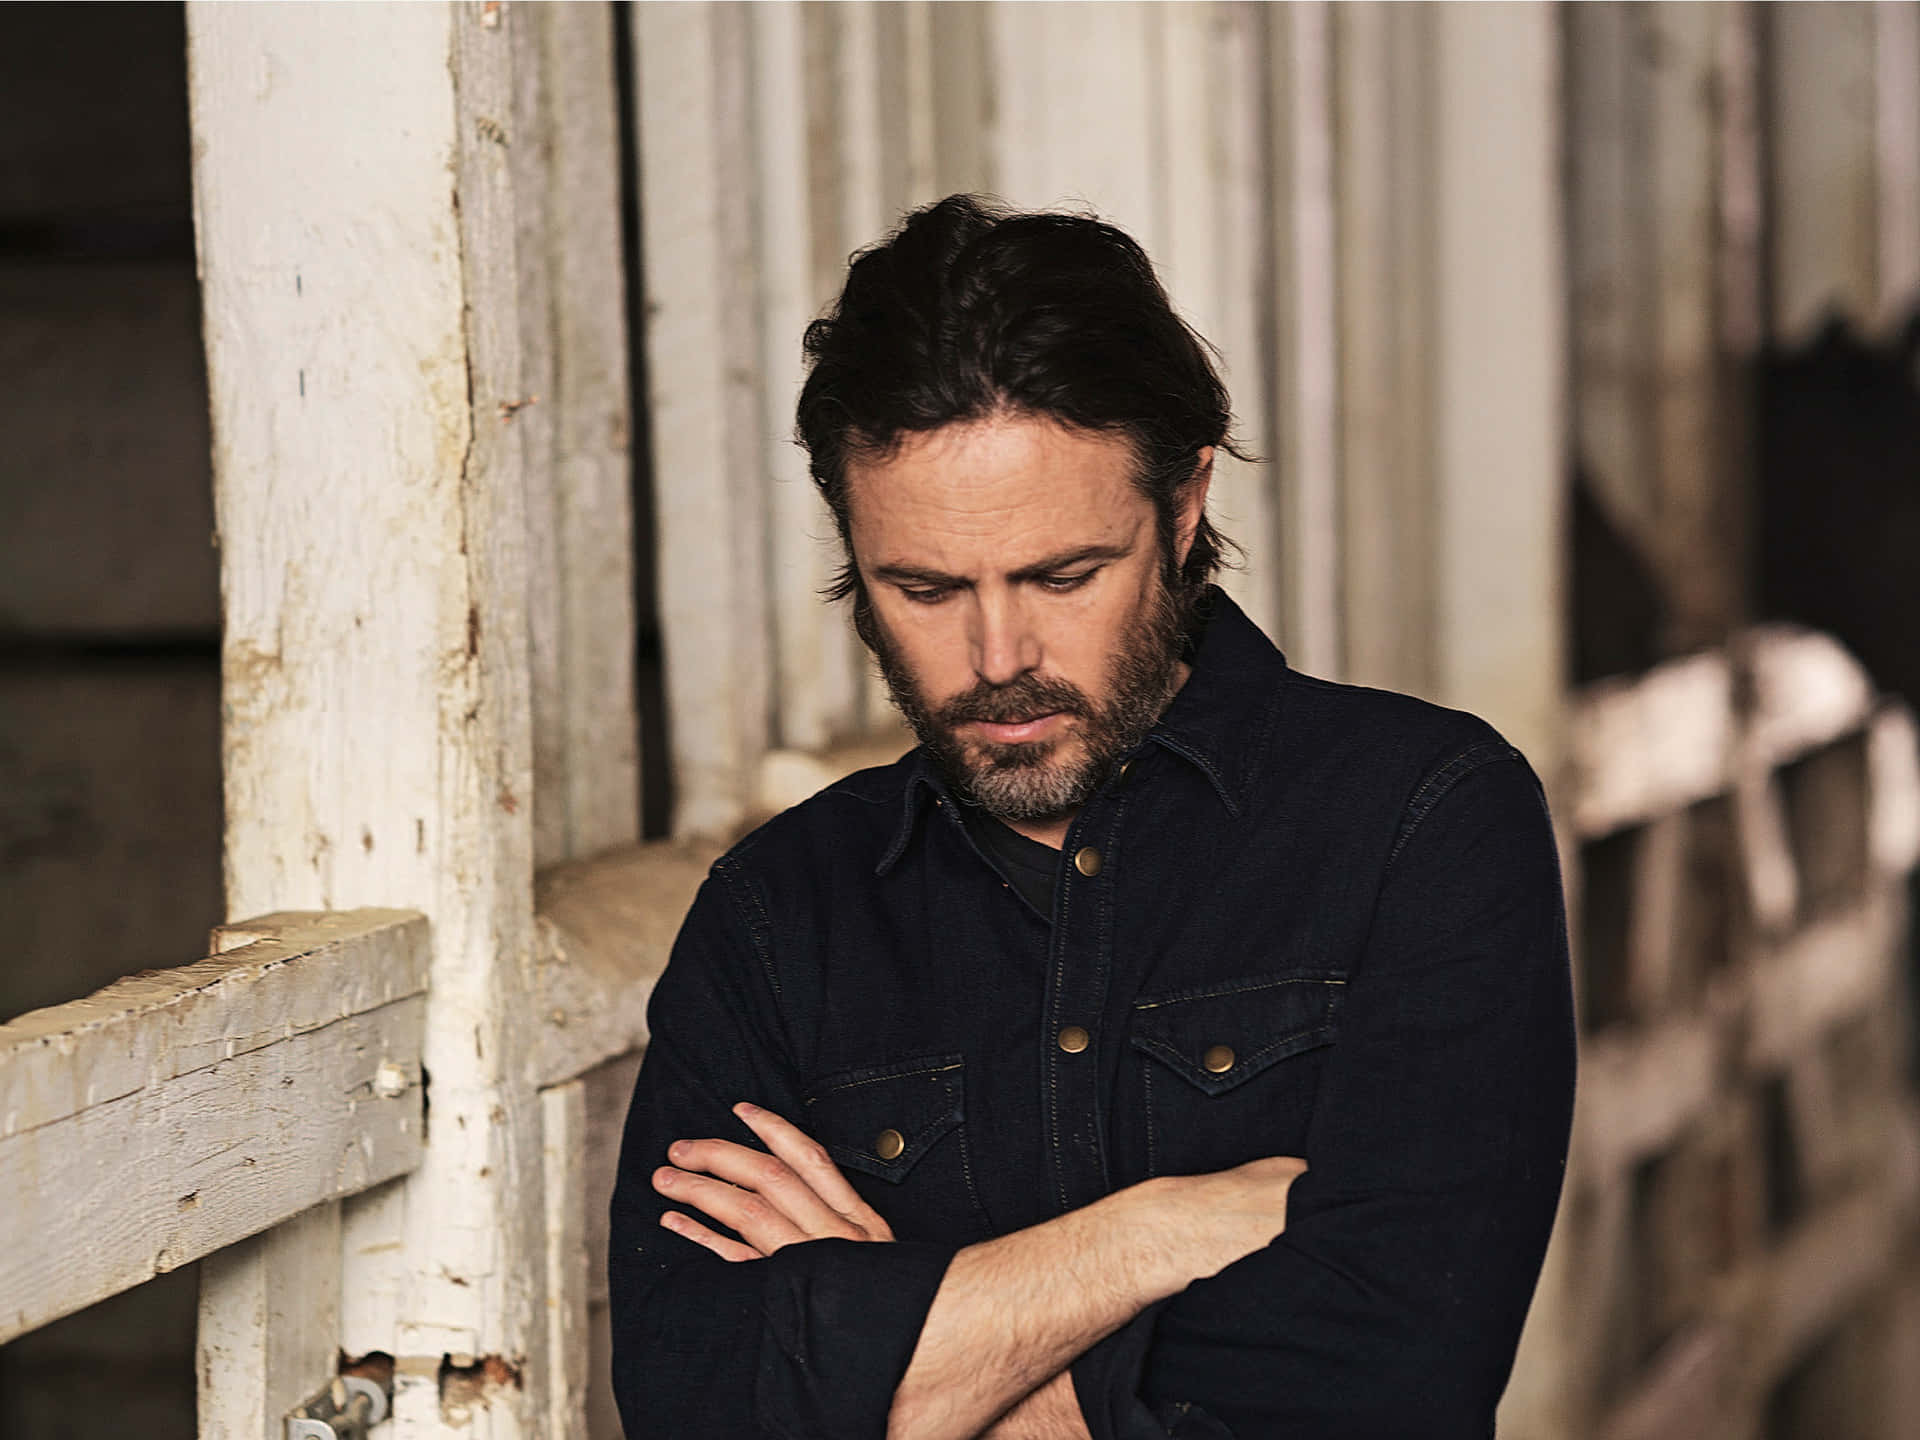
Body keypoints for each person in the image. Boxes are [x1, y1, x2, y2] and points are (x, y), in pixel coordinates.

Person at [609, 194, 1575, 1440]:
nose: (998, 656)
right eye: (924, 587)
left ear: (1182, 511)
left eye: (1063, 577)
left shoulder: (1422, 821)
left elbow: (1384, 1387)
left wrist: (893, 1347)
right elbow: (698, 1407)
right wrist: (1146, 1237)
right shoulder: (776, 916)